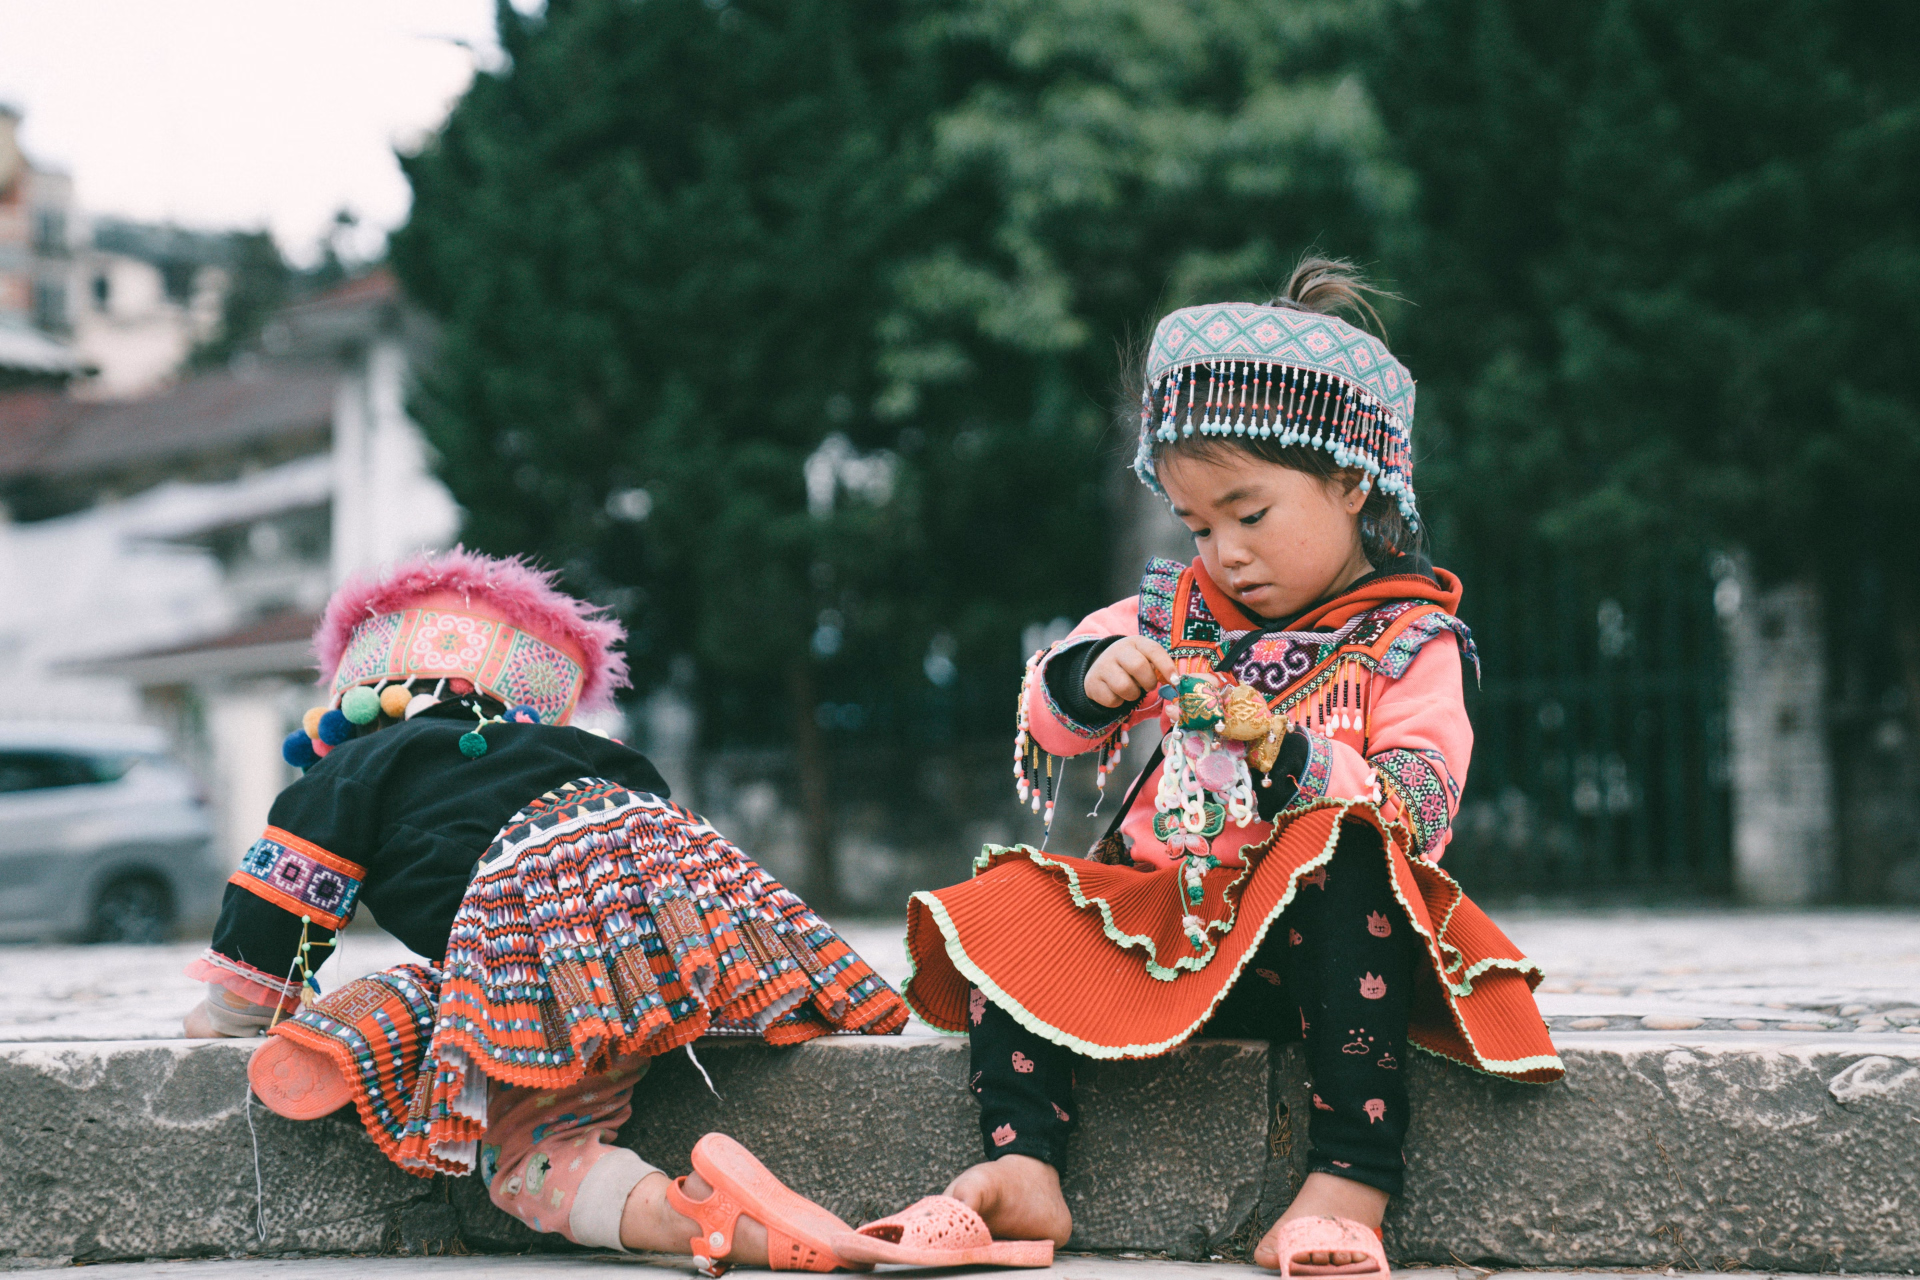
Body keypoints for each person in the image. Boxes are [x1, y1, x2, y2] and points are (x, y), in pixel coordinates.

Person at [899, 258, 1564, 1275]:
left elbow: (1418, 809)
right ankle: (1025, 1159)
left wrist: (1286, 750)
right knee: (1009, 900)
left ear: (1352, 480)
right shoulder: (1176, 610)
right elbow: (1049, 715)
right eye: (1198, 523)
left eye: (1249, 514)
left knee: (1346, 851)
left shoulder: (1406, 637)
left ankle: (1351, 1175)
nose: (1226, 550)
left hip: (1329, 952)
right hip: (1166, 926)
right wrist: (1094, 676)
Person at [183, 548, 907, 1270]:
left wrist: (235, 1009)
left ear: (354, 708)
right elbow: (660, 857)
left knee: (535, 1160)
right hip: (666, 938)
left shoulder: (359, 767)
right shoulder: (586, 754)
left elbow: (279, 907)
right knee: (508, 994)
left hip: (541, 952)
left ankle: (697, 1214)